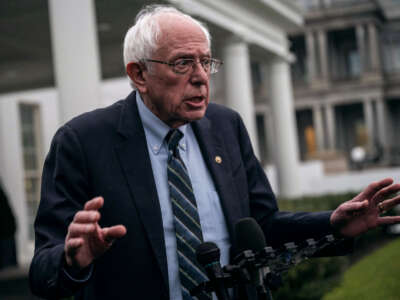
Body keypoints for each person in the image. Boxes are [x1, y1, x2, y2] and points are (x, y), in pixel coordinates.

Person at [29, 5, 400, 300]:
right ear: (139, 75)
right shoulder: (82, 141)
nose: (201, 76)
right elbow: (42, 271)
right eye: (182, 63)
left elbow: (261, 226)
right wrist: (72, 260)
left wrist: (331, 226)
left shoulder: (226, 127)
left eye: (206, 61)